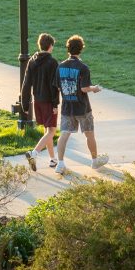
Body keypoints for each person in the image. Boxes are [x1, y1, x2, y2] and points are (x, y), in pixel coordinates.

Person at [55, 35, 108, 173]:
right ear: (81, 49)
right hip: (82, 108)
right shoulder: (83, 67)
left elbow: (59, 87)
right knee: (89, 134)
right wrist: (94, 88)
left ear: (68, 48)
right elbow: (84, 88)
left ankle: (60, 164)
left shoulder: (60, 66)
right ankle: (94, 161)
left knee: (64, 134)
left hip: (67, 107)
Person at [20, 33, 60, 172]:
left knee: (47, 129)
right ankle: (34, 153)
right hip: (49, 101)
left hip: (37, 100)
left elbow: (26, 84)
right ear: (50, 46)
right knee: (52, 130)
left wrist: (24, 104)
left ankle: (53, 159)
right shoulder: (53, 62)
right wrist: (55, 104)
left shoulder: (32, 60)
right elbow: (54, 86)